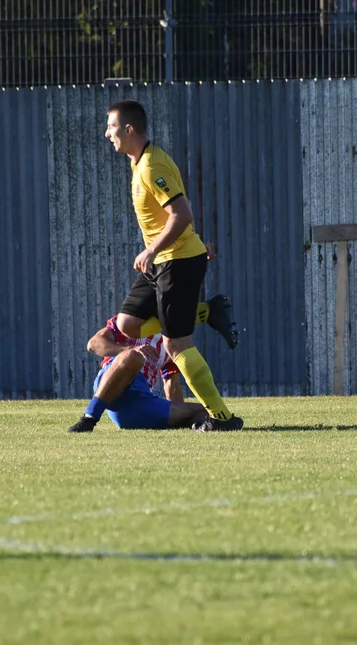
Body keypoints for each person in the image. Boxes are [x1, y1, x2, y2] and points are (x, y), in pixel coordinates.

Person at [104, 99, 243, 432]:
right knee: (128, 325)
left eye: (111, 127)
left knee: (176, 344)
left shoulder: (152, 165)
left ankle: (222, 418)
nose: (107, 133)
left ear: (129, 129)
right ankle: (207, 312)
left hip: (175, 262)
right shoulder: (137, 162)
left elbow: (182, 213)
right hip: (166, 260)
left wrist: (152, 249)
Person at [67, 315, 207, 432]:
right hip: (112, 386)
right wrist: (129, 348)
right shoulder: (130, 321)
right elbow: (93, 343)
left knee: (205, 411)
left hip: (140, 402)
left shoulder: (172, 343)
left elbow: (171, 384)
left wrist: (180, 412)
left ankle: (195, 427)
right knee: (133, 356)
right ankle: (89, 418)